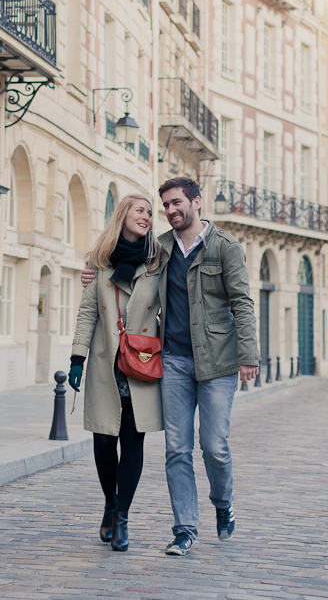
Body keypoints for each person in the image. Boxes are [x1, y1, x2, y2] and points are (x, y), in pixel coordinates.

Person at [81, 176, 259, 557]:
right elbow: (120, 266)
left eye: (176, 203)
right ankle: (185, 529)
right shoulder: (159, 250)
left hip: (219, 362)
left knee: (214, 447)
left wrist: (248, 355)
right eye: (165, 206)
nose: (170, 211)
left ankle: (223, 504)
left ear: (196, 201)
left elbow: (242, 302)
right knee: (177, 449)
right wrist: (90, 273)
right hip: (173, 361)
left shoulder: (226, 247)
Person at [68, 194, 166, 552]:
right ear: (123, 214)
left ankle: (122, 516)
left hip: (141, 363)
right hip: (106, 365)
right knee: (104, 442)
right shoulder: (99, 262)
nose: (147, 216)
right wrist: (77, 358)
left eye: (150, 213)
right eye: (140, 210)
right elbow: (87, 314)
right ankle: (110, 503)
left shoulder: (159, 262)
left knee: (132, 441)